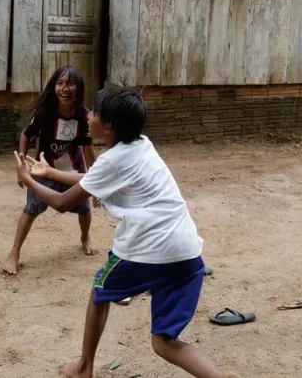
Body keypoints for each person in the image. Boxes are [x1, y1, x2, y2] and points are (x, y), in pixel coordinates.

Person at [14, 86, 238, 378]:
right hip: (186, 251)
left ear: (107, 127)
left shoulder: (112, 160)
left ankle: (84, 368)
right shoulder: (142, 144)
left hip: (149, 248)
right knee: (164, 343)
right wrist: (51, 173)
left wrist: (28, 180)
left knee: (100, 291)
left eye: (94, 112)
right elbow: (97, 178)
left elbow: (60, 202)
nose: (89, 115)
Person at [2, 65, 97, 276]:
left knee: (85, 210)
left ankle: (85, 237)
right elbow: (26, 135)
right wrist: (22, 165)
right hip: (42, 170)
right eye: (60, 83)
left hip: (73, 172)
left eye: (70, 83)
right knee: (30, 210)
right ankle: (14, 252)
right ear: (54, 87)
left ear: (78, 88)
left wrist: (95, 179)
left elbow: (88, 148)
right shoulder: (45, 113)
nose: (65, 88)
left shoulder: (83, 115)